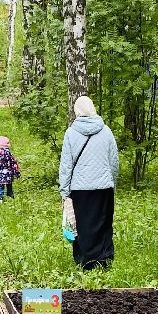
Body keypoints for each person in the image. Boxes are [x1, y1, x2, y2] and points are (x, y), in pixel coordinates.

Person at [58, 95, 119, 269]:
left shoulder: (71, 133)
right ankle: (104, 259)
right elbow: (114, 161)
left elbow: (66, 165)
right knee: (103, 222)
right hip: (104, 187)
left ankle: (85, 261)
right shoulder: (106, 131)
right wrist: (112, 182)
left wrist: (64, 191)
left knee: (82, 225)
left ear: (76, 111)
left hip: (80, 189)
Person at [0, 135, 20, 201]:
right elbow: (14, 164)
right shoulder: (10, 154)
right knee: (9, 186)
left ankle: (0, 199)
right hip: (9, 175)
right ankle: (10, 197)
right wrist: (17, 173)